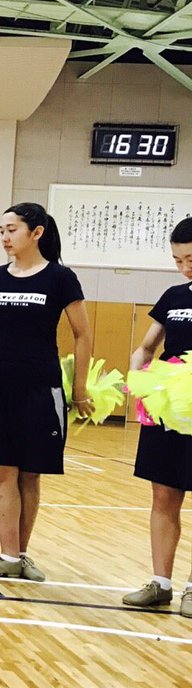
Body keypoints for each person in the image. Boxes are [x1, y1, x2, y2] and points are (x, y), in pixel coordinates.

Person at [0, 203, 93, 580]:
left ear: (36, 232)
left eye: (12, 230)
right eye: (2, 231)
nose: (5, 238)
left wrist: (81, 388)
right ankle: (6, 557)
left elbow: (83, 334)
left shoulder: (60, 279)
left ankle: (21, 554)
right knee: (0, 472)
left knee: (30, 474)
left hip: (40, 386)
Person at [122, 217, 192, 616]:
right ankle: (160, 582)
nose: (185, 267)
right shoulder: (173, 295)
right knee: (163, 495)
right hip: (168, 409)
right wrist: (140, 381)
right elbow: (146, 347)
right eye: (179, 259)